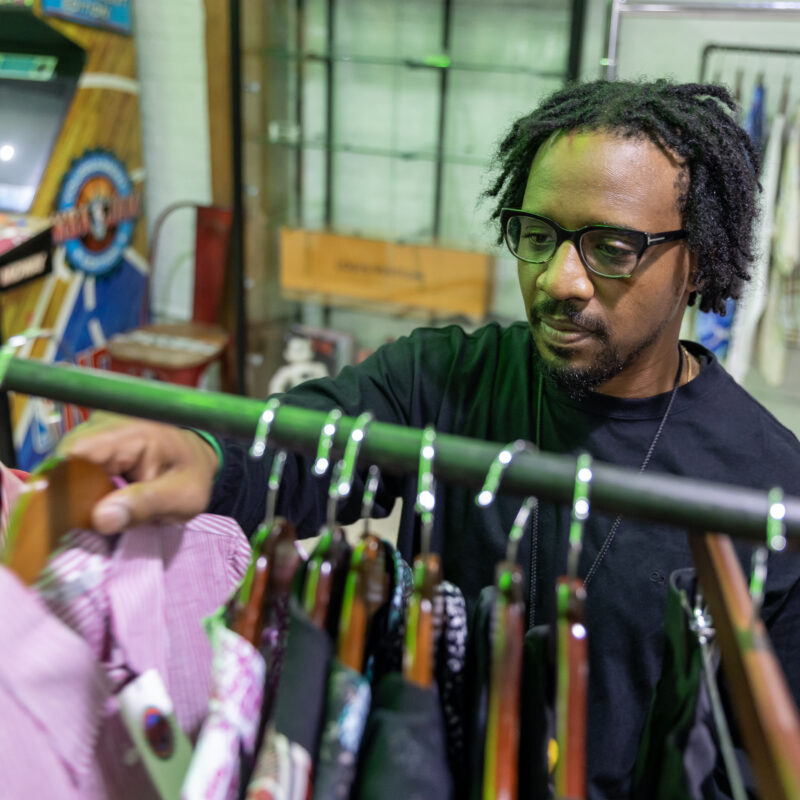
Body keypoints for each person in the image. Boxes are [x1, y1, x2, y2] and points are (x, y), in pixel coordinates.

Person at [61, 79, 800, 798]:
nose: (557, 280)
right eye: (537, 236)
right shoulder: (442, 378)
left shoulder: (771, 490)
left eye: (610, 248)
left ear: (697, 257)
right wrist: (206, 453)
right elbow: (299, 443)